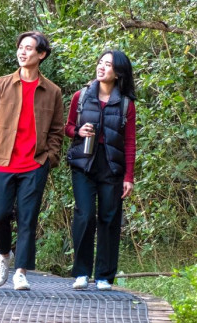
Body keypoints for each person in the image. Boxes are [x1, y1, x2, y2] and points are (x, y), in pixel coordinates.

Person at [0, 31, 64, 291]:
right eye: (20, 48)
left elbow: (57, 131)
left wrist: (49, 159)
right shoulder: (0, 85)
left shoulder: (52, 92)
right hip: (2, 162)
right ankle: (4, 255)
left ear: (41, 55)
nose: (22, 52)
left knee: (28, 218)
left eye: (29, 48)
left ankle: (22, 272)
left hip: (34, 165)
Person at [65, 50, 137, 291]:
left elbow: (129, 141)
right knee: (84, 215)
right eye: (100, 63)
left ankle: (105, 276)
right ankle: (81, 273)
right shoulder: (82, 96)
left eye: (108, 65)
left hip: (112, 167)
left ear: (118, 73)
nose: (102, 67)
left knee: (109, 218)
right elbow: (67, 127)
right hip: (84, 163)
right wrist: (78, 132)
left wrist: (128, 177)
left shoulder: (126, 103)